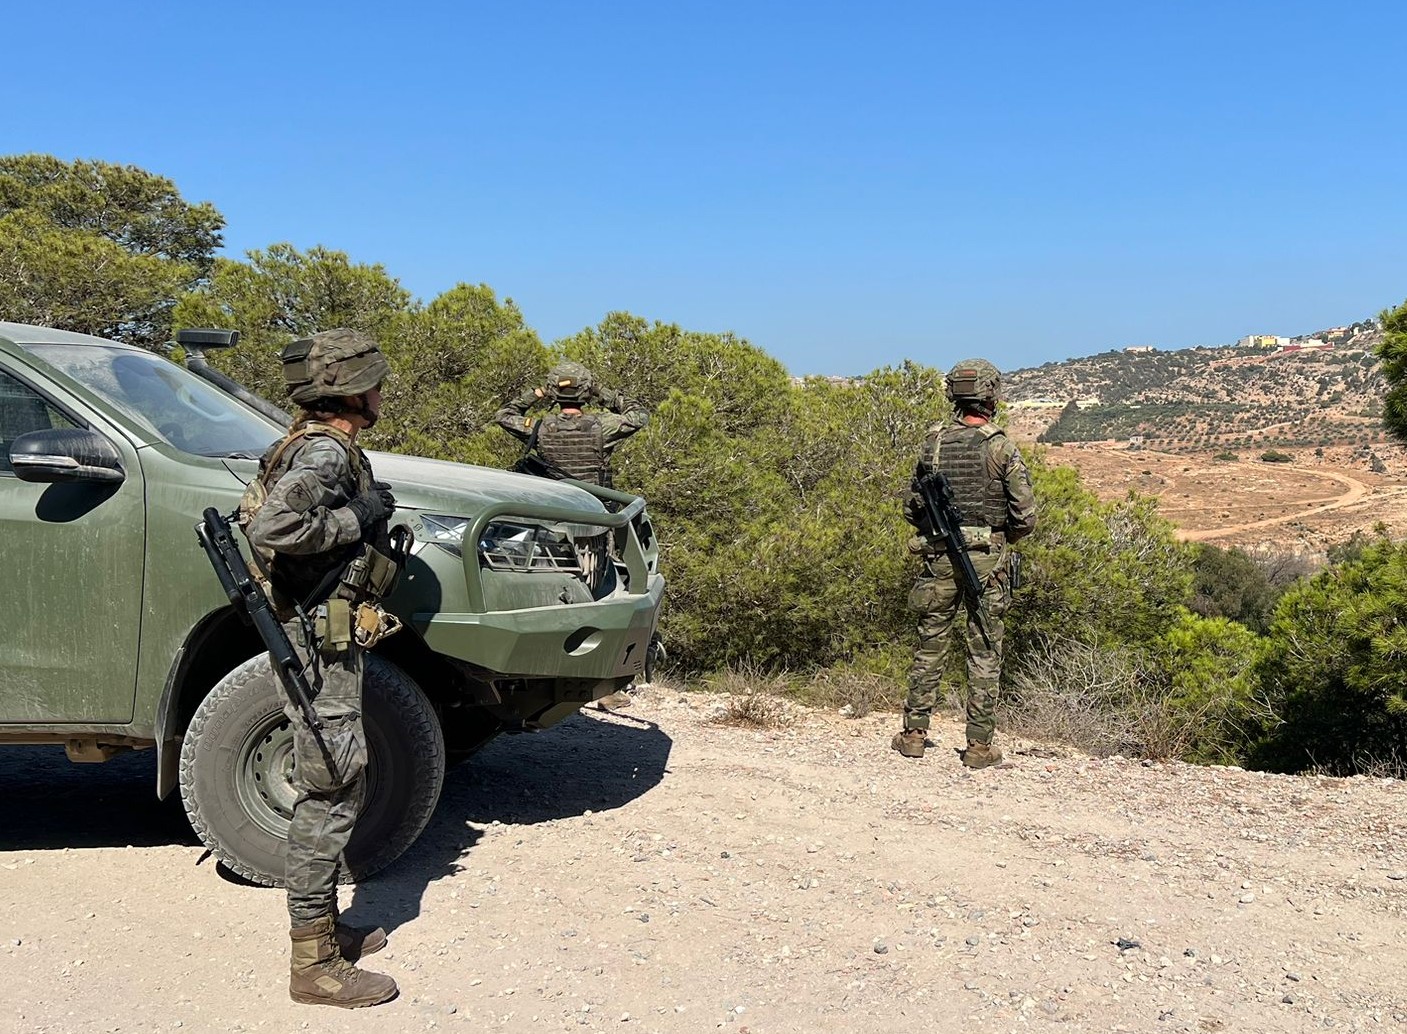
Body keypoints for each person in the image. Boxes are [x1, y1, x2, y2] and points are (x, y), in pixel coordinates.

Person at [245, 328, 400, 1008]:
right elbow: (272, 530)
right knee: (332, 784)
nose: (379, 392)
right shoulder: (323, 455)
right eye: (373, 381)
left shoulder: (312, 445)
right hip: (316, 638)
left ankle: (325, 931)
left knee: (334, 777)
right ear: (352, 389)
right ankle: (312, 967)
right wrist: (358, 516)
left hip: (319, 633)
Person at [892, 358, 1036, 769]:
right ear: (991, 394)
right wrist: (995, 538)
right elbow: (1025, 516)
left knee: (930, 643)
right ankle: (978, 746)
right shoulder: (1000, 445)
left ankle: (914, 734)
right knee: (985, 649)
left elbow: (911, 506)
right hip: (987, 562)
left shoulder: (933, 443)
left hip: (939, 559)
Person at [493, 360, 649, 488]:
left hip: (555, 510)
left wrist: (538, 392)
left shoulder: (538, 428)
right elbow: (639, 415)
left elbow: (504, 415)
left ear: (553, 391)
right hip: (597, 512)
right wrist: (600, 391)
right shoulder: (603, 426)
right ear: (586, 390)